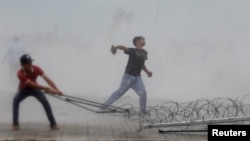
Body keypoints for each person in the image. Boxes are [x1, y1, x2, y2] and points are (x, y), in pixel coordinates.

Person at [102, 36, 152, 115]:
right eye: (143, 39)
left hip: (137, 78)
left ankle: (143, 112)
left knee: (143, 93)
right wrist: (115, 47)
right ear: (137, 41)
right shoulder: (132, 50)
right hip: (128, 76)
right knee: (119, 92)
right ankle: (103, 107)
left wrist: (147, 72)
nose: (144, 41)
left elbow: (142, 65)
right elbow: (123, 47)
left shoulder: (145, 53)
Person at [12, 54, 63, 130]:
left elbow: (47, 80)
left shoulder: (37, 69)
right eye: (28, 63)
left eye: (31, 62)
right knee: (15, 100)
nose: (30, 64)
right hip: (23, 90)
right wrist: (47, 88)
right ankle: (15, 124)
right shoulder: (20, 73)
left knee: (45, 101)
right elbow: (32, 84)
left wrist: (57, 90)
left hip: (35, 89)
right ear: (22, 65)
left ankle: (53, 124)